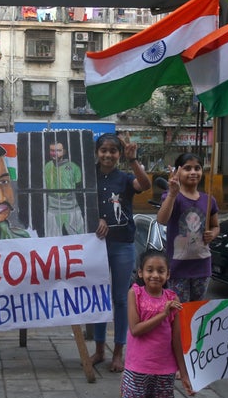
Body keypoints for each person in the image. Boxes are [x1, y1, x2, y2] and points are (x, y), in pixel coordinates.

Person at [92, 132, 151, 372]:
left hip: (123, 244)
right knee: (97, 298)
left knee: (119, 299)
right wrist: (95, 219)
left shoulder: (126, 177)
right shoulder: (87, 177)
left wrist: (133, 160)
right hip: (95, 245)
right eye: (103, 150)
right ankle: (98, 349)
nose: (108, 155)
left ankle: (118, 352)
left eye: (113, 151)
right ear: (97, 152)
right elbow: (79, 203)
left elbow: (145, 185)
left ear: (119, 154)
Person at [122, 249, 193, 398]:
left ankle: (138, 390)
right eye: (149, 270)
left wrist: (183, 373)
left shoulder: (173, 299)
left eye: (161, 271)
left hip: (164, 366)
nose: (155, 275)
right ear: (140, 272)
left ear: (168, 274)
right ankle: (126, 383)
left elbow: (176, 339)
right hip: (138, 364)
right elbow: (135, 329)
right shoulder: (135, 294)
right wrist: (163, 314)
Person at [156, 153, 219, 303]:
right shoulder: (171, 196)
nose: (193, 172)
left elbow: (216, 226)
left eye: (197, 168)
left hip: (202, 267)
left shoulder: (209, 200)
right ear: (178, 171)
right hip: (177, 269)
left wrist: (213, 234)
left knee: (196, 312)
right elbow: (162, 219)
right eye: (187, 168)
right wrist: (172, 193)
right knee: (178, 312)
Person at [43, 138, 85, 236]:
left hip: (72, 207)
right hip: (53, 207)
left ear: (64, 151)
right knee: (52, 238)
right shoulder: (47, 166)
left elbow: (79, 186)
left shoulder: (73, 167)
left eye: (58, 150)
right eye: (52, 150)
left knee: (79, 236)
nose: (55, 153)